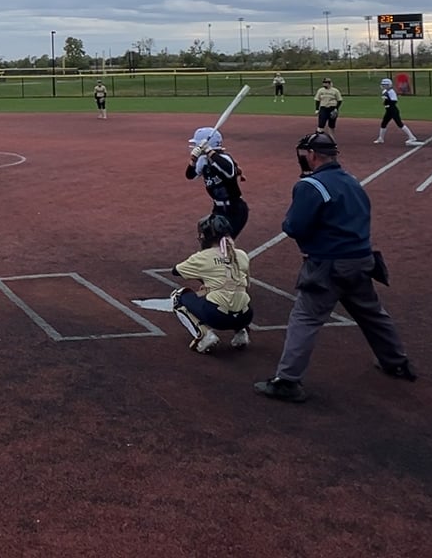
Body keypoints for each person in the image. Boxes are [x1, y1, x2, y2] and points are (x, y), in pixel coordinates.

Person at [255, 132, 415, 403]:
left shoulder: (311, 185)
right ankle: (396, 362)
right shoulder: (352, 180)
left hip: (328, 266)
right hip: (362, 260)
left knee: (305, 318)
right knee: (372, 314)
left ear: (312, 155)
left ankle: (287, 381)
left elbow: (294, 226)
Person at [169, 213, 253, 355]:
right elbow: (246, 285)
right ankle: (241, 332)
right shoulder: (241, 255)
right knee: (238, 292)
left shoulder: (202, 257)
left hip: (218, 317)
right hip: (246, 315)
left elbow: (175, 271)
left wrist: (207, 279)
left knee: (178, 297)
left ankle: (203, 335)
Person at [185, 126, 248, 237]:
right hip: (218, 209)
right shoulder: (203, 161)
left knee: (224, 241)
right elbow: (190, 175)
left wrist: (209, 151)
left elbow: (229, 172)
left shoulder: (224, 158)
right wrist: (193, 161)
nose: (195, 146)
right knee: (210, 238)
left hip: (235, 209)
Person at [372, 79, 423, 146]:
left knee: (399, 124)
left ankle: (412, 137)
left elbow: (394, 101)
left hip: (393, 110)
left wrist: (387, 100)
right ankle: (381, 138)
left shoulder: (391, 92)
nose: (384, 86)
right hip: (388, 110)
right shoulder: (384, 91)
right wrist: (385, 101)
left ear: (389, 85)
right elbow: (385, 101)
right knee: (384, 123)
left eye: (385, 85)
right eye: (383, 85)